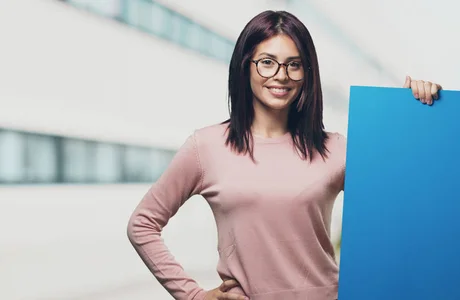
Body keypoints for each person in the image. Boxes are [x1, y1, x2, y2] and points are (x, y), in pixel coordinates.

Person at [126, 10, 442, 300]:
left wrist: (413, 111)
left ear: (307, 72)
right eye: (267, 61)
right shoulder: (206, 147)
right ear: (245, 65)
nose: (281, 75)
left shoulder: (336, 149)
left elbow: (405, 201)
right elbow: (142, 224)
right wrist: (193, 296)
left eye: (294, 64)